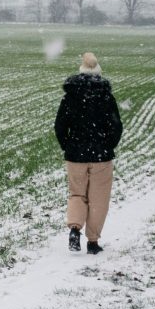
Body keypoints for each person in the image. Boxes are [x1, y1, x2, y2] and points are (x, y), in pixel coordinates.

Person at [54, 51, 124, 255]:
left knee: (77, 194)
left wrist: (68, 145)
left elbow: (59, 126)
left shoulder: (69, 97)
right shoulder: (106, 97)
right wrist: (108, 145)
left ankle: (75, 228)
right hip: (101, 156)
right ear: (99, 73)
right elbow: (116, 126)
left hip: (75, 155)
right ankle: (92, 242)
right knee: (99, 199)